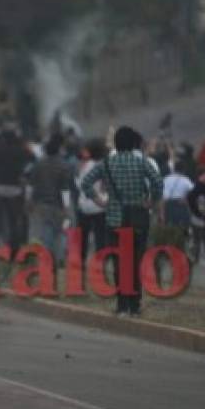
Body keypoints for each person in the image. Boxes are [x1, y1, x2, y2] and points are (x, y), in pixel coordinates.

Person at [80, 126, 163, 316]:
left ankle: (122, 304)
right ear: (134, 143)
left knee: (119, 262)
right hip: (138, 220)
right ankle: (135, 304)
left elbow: (85, 183)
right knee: (135, 261)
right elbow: (158, 183)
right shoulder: (141, 162)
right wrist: (151, 201)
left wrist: (100, 200)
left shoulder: (106, 163)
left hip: (114, 219)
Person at [0, 123, 33, 260]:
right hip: (15, 190)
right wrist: (24, 175)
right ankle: (14, 252)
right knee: (14, 223)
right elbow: (32, 161)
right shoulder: (21, 149)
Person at [27, 134, 72, 261]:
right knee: (59, 230)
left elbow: (31, 184)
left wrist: (29, 200)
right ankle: (57, 257)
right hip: (58, 204)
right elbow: (65, 189)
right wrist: (67, 206)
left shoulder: (38, 165)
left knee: (46, 229)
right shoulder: (64, 166)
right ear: (58, 150)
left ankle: (46, 256)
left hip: (41, 203)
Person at [74, 140, 108, 259]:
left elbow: (78, 184)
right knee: (100, 237)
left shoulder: (83, 166)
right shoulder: (103, 165)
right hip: (100, 206)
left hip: (83, 205)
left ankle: (81, 263)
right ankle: (100, 263)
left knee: (82, 238)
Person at [162, 164, 194, 230]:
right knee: (182, 227)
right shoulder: (186, 180)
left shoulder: (166, 179)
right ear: (183, 170)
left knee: (170, 227)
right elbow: (193, 193)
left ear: (174, 169)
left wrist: (162, 212)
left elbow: (163, 195)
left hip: (168, 205)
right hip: (181, 205)